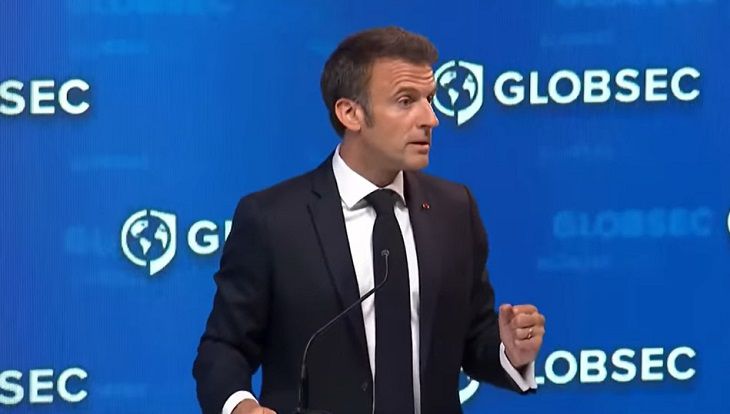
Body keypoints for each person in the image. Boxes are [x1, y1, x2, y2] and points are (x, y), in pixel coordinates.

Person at [193, 26, 545, 414]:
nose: (431, 118)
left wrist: (509, 350)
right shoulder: (272, 220)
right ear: (351, 113)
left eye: (430, 99)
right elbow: (223, 348)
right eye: (406, 101)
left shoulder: (454, 209)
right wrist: (240, 407)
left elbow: (472, 337)